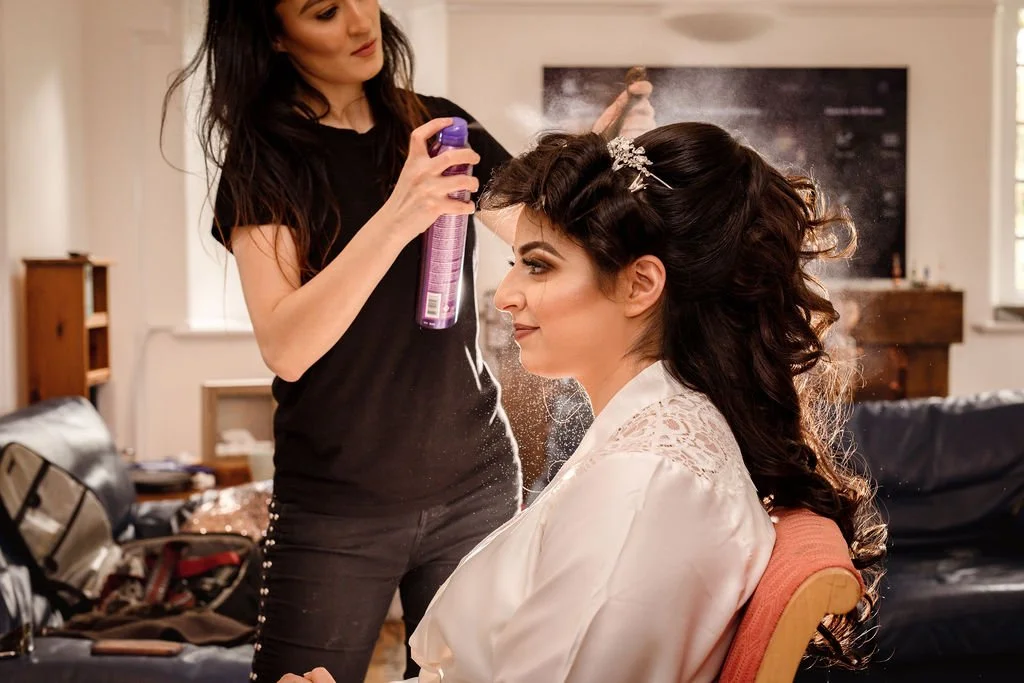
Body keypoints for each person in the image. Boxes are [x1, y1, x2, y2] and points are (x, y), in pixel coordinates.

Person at [278, 122, 888, 683]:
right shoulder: (649, 436)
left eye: (538, 267)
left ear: (639, 284)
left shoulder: (647, 483)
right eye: (515, 263)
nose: (506, 296)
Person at [160, 2, 655, 682]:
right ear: (275, 36)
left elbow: (544, 236)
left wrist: (607, 165)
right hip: (335, 508)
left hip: (474, 483)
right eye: (325, 11)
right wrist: (401, 213)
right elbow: (287, 345)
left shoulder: (440, 128)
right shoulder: (265, 159)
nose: (361, 21)